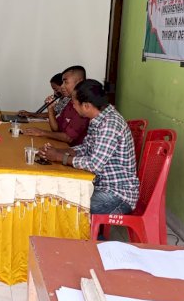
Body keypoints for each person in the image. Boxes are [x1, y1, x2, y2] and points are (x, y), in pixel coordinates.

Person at [39, 80, 139, 215]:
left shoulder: (110, 124)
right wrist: (58, 152)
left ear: (86, 106)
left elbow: (94, 164)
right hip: (101, 186)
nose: (73, 107)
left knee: (65, 208)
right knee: (57, 196)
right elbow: (86, 148)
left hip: (117, 195)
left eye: (74, 103)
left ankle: (95, 237)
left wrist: (60, 157)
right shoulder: (98, 118)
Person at [22, 65, 89, 146]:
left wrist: (41, 132)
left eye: (66, 82)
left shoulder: (84, 107)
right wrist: (50, 109)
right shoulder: (70, 103)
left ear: (79, 82)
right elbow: (56, 129)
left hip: (74, 152)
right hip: (63, 145)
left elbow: (68, 138)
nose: (62, 86)